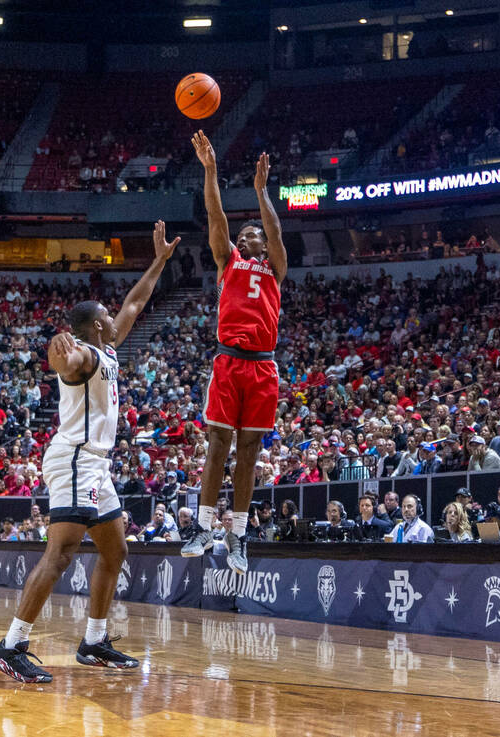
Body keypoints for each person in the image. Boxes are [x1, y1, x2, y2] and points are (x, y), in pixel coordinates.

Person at [0, 220, 176, 683]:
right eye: (108, 316)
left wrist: (159, 262)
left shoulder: (108, 351)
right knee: (61, 554)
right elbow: (67, 363)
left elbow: (135, 302)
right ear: (96, 325)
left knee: (115, 552)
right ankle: (10, 645)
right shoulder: (88, 355)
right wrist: (58, 356)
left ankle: (94, 640)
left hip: (95, 465)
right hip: (74, 459)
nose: (117, 317)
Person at [182, 132, 287, 576]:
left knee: (248, 453)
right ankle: (204, 527)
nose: (249, 236)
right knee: (217, 447)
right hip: (228, 360)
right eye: (244, 234)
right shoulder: (227, 261)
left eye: (254, 234)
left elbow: (277, 230)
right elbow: (216, 214)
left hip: (262, 365)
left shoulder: (274, 267)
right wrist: (210, 171)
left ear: (263, 245)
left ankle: (238, 535)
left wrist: (262, 192)